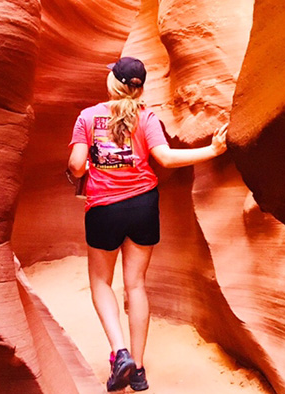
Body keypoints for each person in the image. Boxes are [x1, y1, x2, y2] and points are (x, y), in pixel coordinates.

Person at [67, 56, 228, 392]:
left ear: (112, 83)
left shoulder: (88, 117)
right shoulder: (146, 117)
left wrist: (87, 168)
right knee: (136, 284)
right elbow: (166, 158)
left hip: (104, 209)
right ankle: (138, 371)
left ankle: (119, 352)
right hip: (143, 205)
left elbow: (77, 166)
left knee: (100, 281)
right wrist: (213, 151)